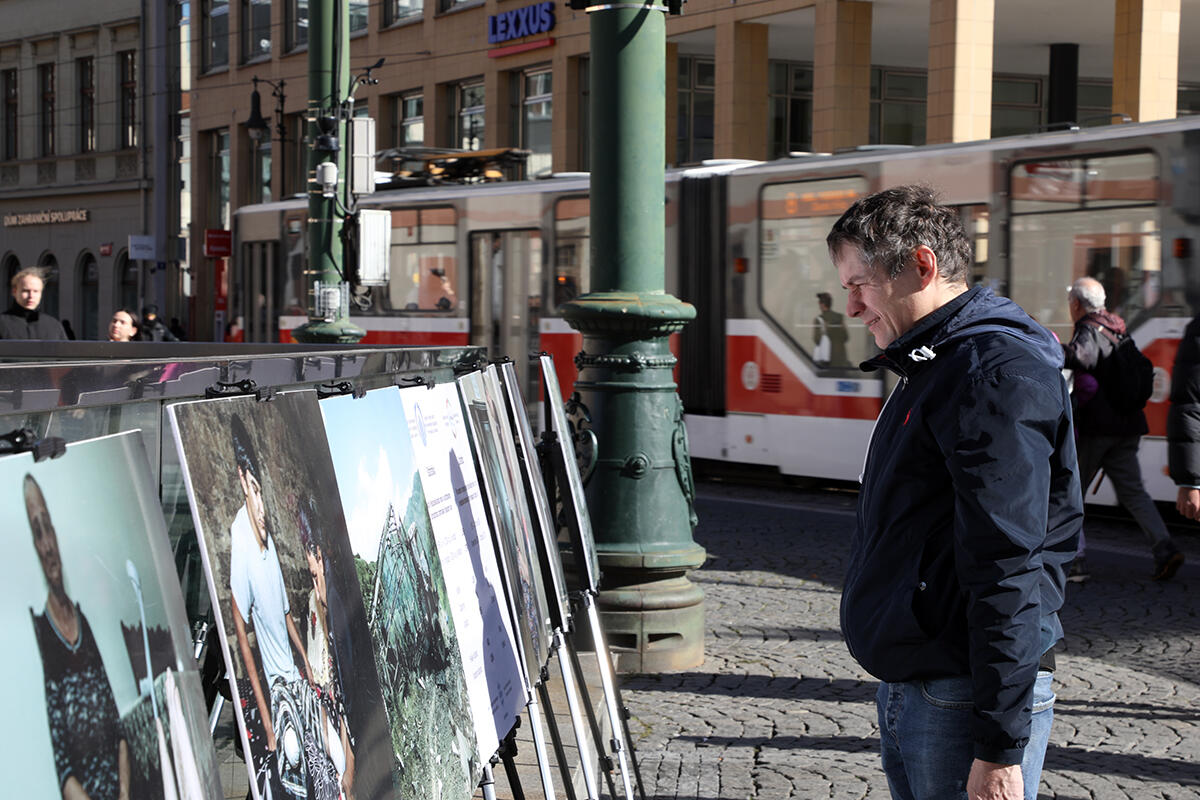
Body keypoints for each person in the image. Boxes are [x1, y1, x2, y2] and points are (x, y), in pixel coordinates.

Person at [827, 186, 1081, 800]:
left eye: (860, 283)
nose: (853, 307)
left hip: (960, 690)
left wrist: (998, 746)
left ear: (921, 265)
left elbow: (1009, 563)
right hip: (924, 676)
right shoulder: (938, 362)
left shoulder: (990, 373)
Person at [1062, 277, 1185, 581]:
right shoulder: (1118, 326)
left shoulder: (1089, 327)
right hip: (1127, 427)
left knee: (1070, 493)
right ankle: (1165, 548)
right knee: (1134, 492)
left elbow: (1082, 357)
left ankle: (1074, 560)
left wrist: (1049, 346)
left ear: (1076, 304)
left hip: (1097, 428)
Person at [25, 473, 131, 800]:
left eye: (47, 529)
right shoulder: (41, 633)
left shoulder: (82, 619)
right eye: (35, 532)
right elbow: (63, 769)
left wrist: (125, 795)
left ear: (56, 535)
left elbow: (118, 731)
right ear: (34, 544)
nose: (45, 545)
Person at [227, 414, 314, 798]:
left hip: (293, 677)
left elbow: (284, 613)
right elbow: (242, 637)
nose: (261, 505)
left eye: (263, 493)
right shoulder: (240, 537)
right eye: (255, 491)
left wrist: (306, 661)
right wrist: (265, 720)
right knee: (290, 773)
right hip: (276, 689)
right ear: (243, 483)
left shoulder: (268, 539)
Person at [296, 499, 356, 800]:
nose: (315, 585)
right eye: (310, 576)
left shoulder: (339, 608)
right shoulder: (313, 602)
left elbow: (348, 700)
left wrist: (349, 765)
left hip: (343, 726)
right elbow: (318, 685)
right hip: (323, 715)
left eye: (316, 575)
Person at [0, 267, 67, 340]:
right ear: (14, 292)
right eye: (26, 291)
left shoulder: (54, 325)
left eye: (36, 291)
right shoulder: (2, 323)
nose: (31, 296)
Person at [813, 291, 849, 367]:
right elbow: (846, 337)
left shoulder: (819, 319)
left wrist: (824, 331)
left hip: (827, 358)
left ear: (821, 305)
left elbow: (817, 340)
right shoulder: (840, 317)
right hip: (840, 355)